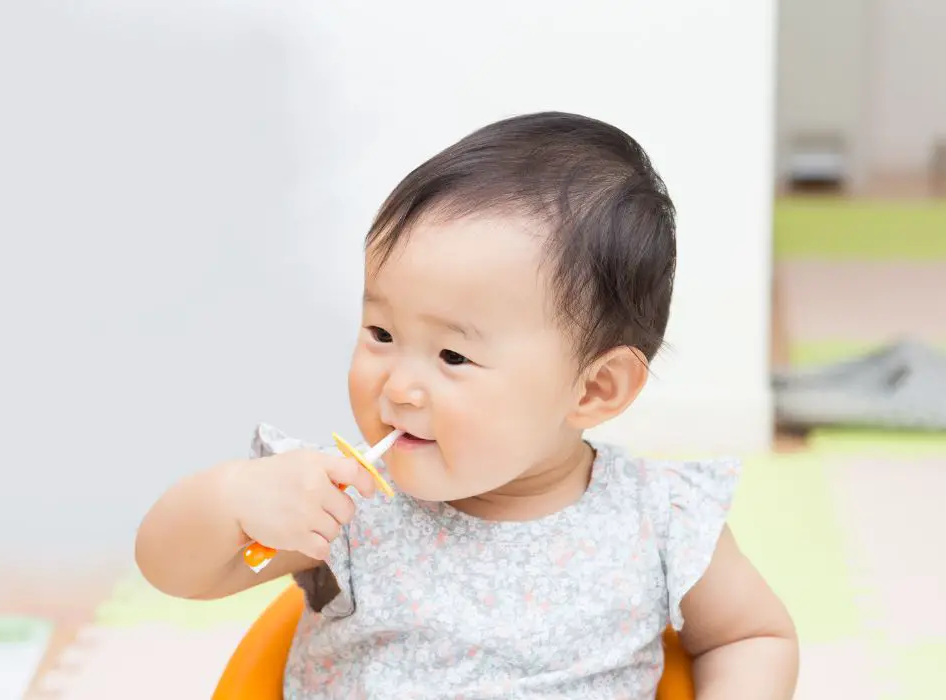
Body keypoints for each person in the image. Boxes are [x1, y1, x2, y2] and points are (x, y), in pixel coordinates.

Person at [135, 112, 798, 698]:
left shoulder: (660, 518)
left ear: (593, 389)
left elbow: (751, 638)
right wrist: (234, 498)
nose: (397, 386)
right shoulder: (343, 503)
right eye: (382, 335)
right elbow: (173, 570)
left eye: (453, 357)